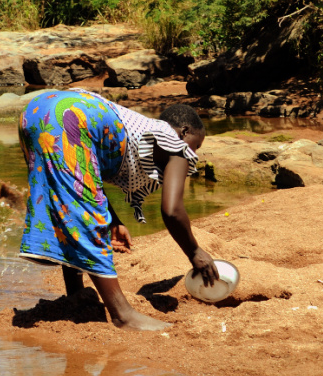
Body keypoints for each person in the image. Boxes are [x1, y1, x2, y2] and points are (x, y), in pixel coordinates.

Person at [17, 88, 218, 331]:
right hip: (72, 116)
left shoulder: (142, 129)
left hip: (36, 111)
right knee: (82, 215)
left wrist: (113, 220)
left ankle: (75, 296)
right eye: (196, 146)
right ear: (185, 132)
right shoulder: (174, 143)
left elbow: (86, 187)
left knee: (68, 208)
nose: (193, 155)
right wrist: (194, 251)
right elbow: (172, 210)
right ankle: (123, 314)